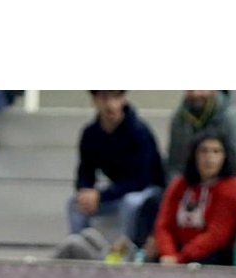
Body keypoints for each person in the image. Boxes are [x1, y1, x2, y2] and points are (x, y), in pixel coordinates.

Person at [68, 90, 165, 246]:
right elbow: (85, 170)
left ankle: (127, 252)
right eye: (105, 98)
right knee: (74, 203)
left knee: (131, 203)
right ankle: (78, 250)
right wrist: (85, 191)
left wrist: (102, 195)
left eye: (116, 97)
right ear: (94, 99)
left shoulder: (139, 131)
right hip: (117, 192)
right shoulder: (91, 133)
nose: (111, 104)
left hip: (147, 191)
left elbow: (142, 179)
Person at [152, 132, 236, 266]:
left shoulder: (234, 188)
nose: (209, 157)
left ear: (225, 156)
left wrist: (180, 259)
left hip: (215, 256)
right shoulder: (180, 185)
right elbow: (163, 224)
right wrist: (168, 253)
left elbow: (217, 235)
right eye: (204, 151)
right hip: (177, 253)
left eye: (216, 151)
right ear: (194, 156)